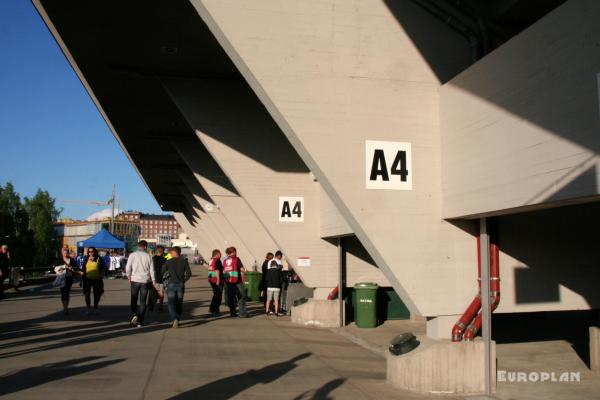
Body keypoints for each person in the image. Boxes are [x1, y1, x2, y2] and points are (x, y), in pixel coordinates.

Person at [126, 240, 156, 327]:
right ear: (146, 247)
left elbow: (128, 267)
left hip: (135, 280)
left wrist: (129, 276)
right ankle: (140, 321)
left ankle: (135, 314)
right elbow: (152, 270)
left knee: (134, 298)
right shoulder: (148, 256)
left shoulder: (132, 255)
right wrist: (153, 281)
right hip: (145, 280)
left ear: (138, 246)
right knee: (143, 301)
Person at [162, 246, 192, 328]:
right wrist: (184, 280)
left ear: (174, 252)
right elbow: (189, 274)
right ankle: (177, 319)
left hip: (171, 284)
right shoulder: (184, 261)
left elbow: (162, 271)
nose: (170, 254)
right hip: (180, 284)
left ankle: (174, 318)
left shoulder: (168, 262)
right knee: (179, 302)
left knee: (171, 303)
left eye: (171, 252)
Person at [222, 246, 247, 318]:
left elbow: (224, 271)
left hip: (228, 281)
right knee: (241, 296)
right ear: (233, 252)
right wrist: (245, 270)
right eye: (234, 251)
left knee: (231, 297)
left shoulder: (225, 261)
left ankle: (232, 313)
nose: (235, 253)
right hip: (237, 281)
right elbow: (242, 269)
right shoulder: (237, 259)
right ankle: (242, 313)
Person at [81, 247, 106, 315]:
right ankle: (88, 308)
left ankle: (95, 307)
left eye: (92, 251)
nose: (90, 253)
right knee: (87, 295)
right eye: (89, 252)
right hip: (87, 279)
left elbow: (103, 269)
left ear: (95, 252)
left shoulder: (99, 259)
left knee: (97, 294)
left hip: (96, 279)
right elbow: (83, 269)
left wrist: (101, 275)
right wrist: (81, 274)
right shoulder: (86, 259)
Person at [54, 248, 78, 314]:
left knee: (67, 292)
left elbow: (76, 267)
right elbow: (55, 268)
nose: (65, 253)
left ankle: (66, 307)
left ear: (68, 253)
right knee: (63, 293)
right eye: (64, 252)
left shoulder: (72, 260)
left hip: (69, 278)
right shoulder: (59, 260)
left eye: (66, 252)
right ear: (62, 253)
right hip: (62, 278)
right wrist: (65, 267)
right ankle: (64, 307)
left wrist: (72, 269)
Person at [148, 245, 167, 312]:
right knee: (161, 292)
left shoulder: (153, 259)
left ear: (156, 251)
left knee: (152, 292)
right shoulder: (165, 260)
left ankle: (151, 306)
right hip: (162, 278)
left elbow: (149, 269)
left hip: (154, 278)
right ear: (163, 252)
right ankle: (160, 306)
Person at [207, 249, 223, 316]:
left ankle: (211, 309)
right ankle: (215, 311)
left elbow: (209, 268)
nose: (221, 255)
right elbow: (217, 270)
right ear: (217, 254)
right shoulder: (217, 260)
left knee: (215, 295)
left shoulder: (211, 260)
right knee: (218, 296)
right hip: (216, 279)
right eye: (220, 254)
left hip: (211, 279)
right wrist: (218, 279)